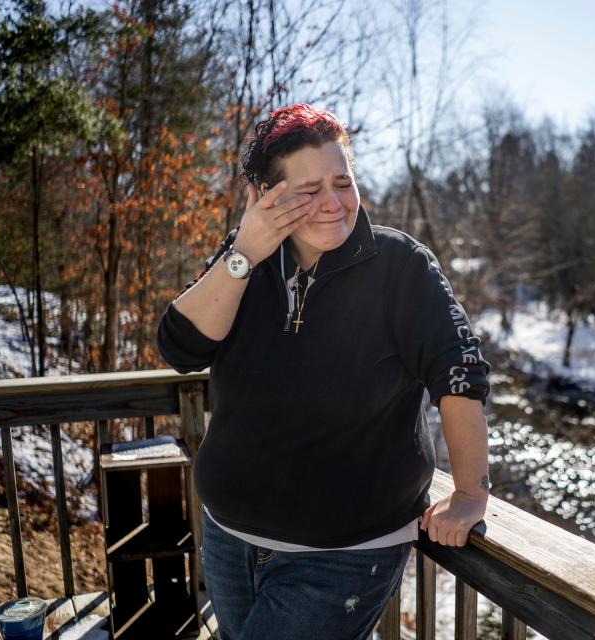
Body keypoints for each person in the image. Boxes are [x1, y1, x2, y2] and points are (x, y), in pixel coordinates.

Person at [155, 103, 492, 640]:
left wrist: (472, 493)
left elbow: (460, 374)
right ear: (261, 196)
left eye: (343, 181)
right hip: (226, 536)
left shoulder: (401, 266)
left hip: (344, 556)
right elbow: (181, 349)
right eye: (308, 190)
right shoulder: (245, 262)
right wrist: (243, 252)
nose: (333, 203)